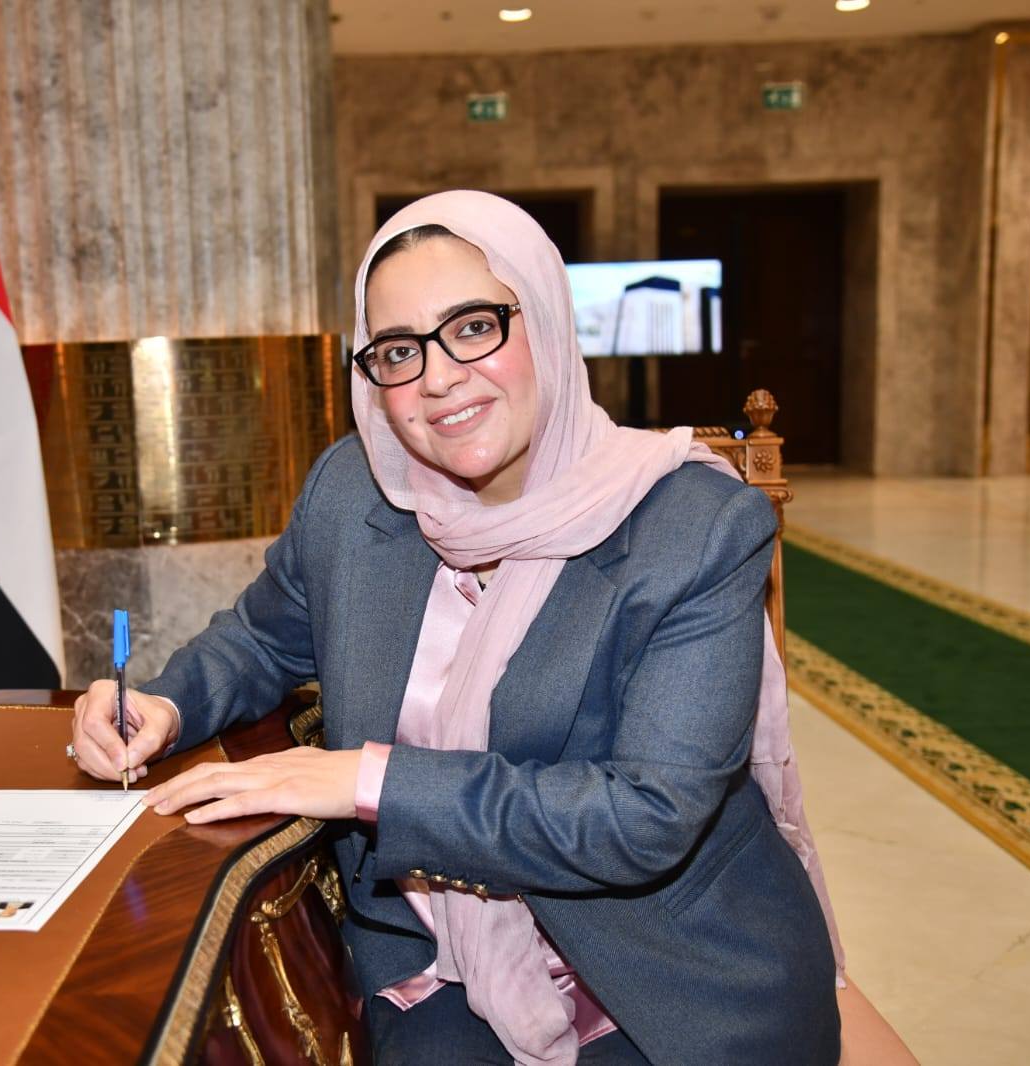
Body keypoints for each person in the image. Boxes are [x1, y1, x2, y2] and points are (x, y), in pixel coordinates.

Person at [69, 190, 843, 1064]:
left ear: (545, 322)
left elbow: (643, 817)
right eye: (399, 350)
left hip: (665, 974)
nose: (437, 378)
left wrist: (368, 781)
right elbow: (260, 637)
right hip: (432, 957)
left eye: (474, 328)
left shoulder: (693, 527)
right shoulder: (357, 493)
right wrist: (163, 704)